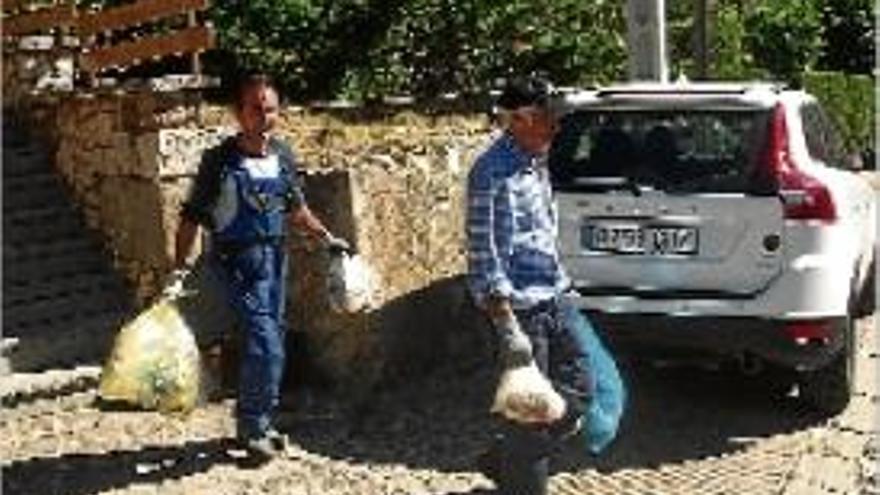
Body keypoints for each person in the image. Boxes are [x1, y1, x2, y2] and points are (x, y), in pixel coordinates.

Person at [173, 72, 349, 461]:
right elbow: (191, 216)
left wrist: (327, 238)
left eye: (270, 109)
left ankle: (259, 422)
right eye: (255, 108)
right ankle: (253, 426)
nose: (264, 116)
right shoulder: (218, 161)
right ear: (239, 113)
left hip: (274, 260)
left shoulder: (282, 155)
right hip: (234, 262)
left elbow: (295, 207)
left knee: (270, 342)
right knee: (265, 343)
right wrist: (178, 269)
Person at [466, 77, 592, 495]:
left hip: (555, 298)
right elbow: (483, 252)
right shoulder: (490, 173)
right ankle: (521, 474)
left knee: (580, 394)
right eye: (547, 120)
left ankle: (505, 461)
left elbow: (542, 236)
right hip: (518, 312)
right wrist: (506, 326)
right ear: (518, 120)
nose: (556, 129)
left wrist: (566, 292)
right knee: (530, 424)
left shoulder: (536, 162)